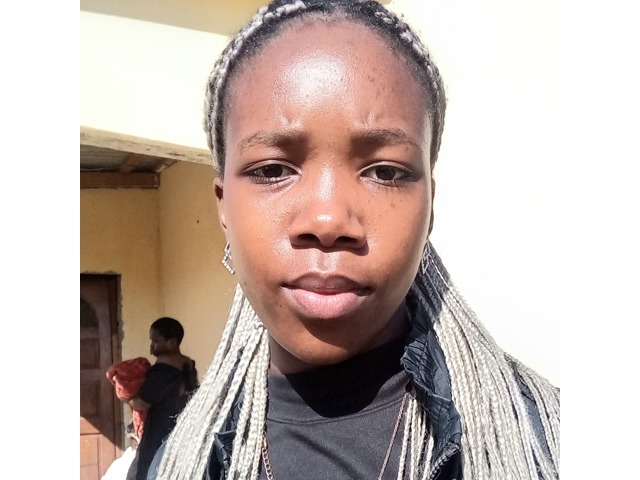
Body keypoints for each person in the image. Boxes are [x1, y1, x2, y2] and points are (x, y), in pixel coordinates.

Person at [150, 1, 560, 479]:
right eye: (273, 170)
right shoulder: (181, 463)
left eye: (385, 172)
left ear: (429, 206)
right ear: (223, 205)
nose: (327, 221)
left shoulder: (549, 442)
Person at [125, 317, 198, 480]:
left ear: (172, 342)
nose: (151, 347)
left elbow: (141, 403)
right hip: (183, 430)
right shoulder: (189, 366)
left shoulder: (162, 371)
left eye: (156, 341)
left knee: (142, 472)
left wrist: (125, 396)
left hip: (158, 432)